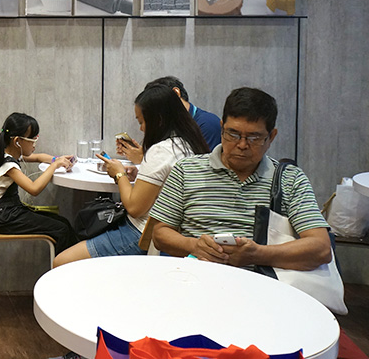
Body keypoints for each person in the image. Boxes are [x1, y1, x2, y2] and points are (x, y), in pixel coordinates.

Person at [150, 87, 331, 270]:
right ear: (221, 128)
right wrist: (194, 245)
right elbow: (159, 233)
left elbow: (321, 248)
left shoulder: (290, 179)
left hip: (262, 281)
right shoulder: (186, 170)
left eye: (254, 137)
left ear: (271, 137)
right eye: (233, 134)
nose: (242, 145)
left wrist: (258, 255)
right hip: (198, 276)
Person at [52, 85, 209, 266]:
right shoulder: (189, 144)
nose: (141, 129)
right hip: (171, 233)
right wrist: (140, 172)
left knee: (61, 262)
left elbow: (135, 207)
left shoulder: (162, 150)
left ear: (158, 120)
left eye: (142, 122)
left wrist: (119, 174)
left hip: (140, 233)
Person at [0, 113, 77, 255]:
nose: (35, 144)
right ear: (17, 141)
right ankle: (64, 266)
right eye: (32, 139)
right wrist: (54, 166)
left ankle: (70, 262)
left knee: (63, 223)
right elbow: (34, 189)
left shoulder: (7, 154)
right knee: (61, 229)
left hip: (5, 212)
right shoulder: (8, 165)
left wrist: (57, 159)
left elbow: (39, 157)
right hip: (2, 218)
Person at [117, 76, 222, 163]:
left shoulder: (208, 124)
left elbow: (196, 171)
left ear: (175, 94)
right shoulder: (168, 127)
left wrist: (145, 160)